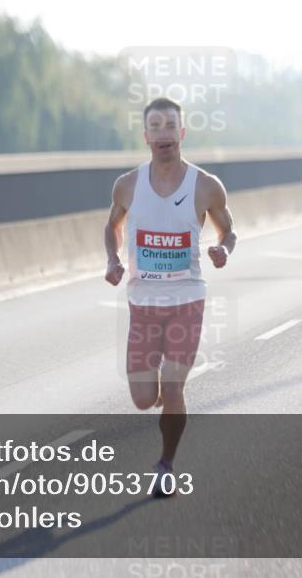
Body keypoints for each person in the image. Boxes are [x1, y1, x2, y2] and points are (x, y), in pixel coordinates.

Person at [103, 96, 237, 498]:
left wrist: (223, 250)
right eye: (155, 127)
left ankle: (166, 465)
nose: (164, 134)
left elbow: (228, 229)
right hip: (142, 304)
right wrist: (113, 259)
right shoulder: (127, 185)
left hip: (186, 301)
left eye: (170, 126)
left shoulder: (206, 186)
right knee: (145, 398)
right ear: (146, 136)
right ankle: (163, 401)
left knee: (174, 389)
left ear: (182, 132)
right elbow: (112, 226)